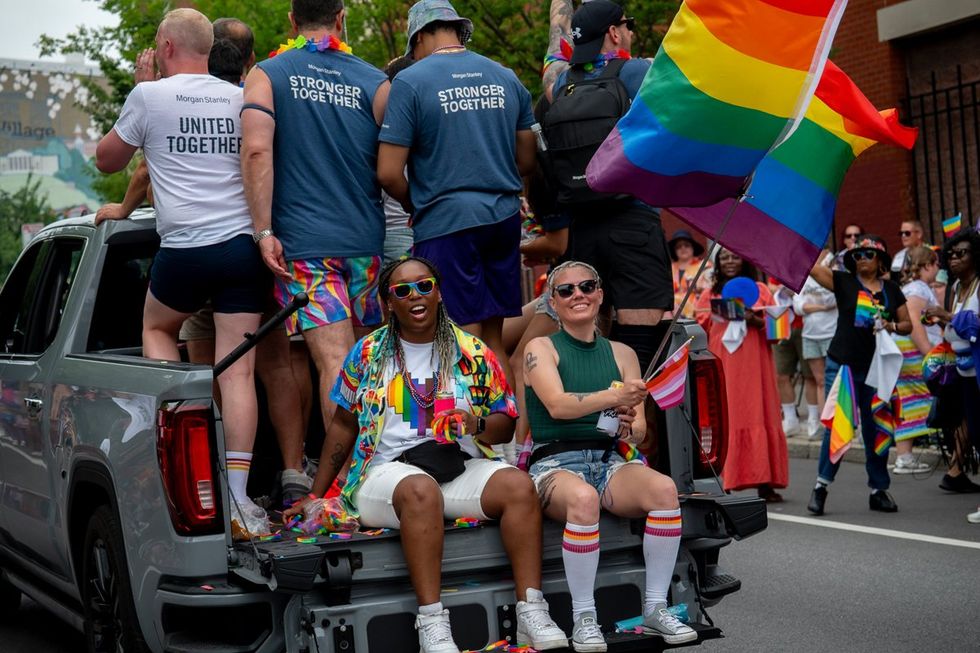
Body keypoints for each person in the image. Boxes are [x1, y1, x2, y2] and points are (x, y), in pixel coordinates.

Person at [284, 257, 567, 653]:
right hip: (385, 475)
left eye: (424, 286)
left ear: (438, 291)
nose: (414, 296)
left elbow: (504, 420)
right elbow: (344, 427)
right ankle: (432, 622)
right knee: (420, 490)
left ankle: (531, 612)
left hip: (455, 466)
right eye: (401, 290)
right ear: (388, 303)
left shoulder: (472, 352)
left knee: (518, 486)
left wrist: (474, 424)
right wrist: (316, 494)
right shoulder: (368, 354)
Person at [94, 8, 271, 534]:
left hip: (185, 253)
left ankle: (183, 462)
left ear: (166, 47)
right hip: (242, 249)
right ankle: (240, 500)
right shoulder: (241, 96)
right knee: (239, 372)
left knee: (156, 327)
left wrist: (145, 89)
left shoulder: (150, 96)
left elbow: (107, 160)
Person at [242, 0, 391, 456]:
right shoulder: (375, 81)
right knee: (370, 368)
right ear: (341, 17)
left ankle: (353, 483)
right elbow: (398, 160)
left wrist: (264, 231)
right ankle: (383, 473)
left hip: (307, 248)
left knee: (335, 365)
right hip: (366, 244)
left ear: (292, 21)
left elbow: (256, 151)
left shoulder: (267, 74)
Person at [523, 260, 696, 651]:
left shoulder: (622, 353)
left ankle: (655, 608)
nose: (578, 294)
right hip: (554, 463)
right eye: (566, 290)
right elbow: (558, 406)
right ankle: (585, 618)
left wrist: (628, 422)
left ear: (600, 294)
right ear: (553, 301)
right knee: (583, 500)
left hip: (609, 461)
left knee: (665, 490)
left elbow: (639, 431)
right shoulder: (541, 348)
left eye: (587, 286)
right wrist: (615, 397)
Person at [377, 0, 536, 390]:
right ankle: (505, 436)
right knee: (494, 335)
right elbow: (528, 156)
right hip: (502, 216)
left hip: (446, 220)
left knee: (457, 335)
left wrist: (417, 203)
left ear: (419, 37)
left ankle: (469, 440)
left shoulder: (411, 81)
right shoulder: (505, 75)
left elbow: (387, 172)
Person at [548, 0, 673, 372]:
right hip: (633, 223)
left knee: (590, 345)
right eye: (627, 25)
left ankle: (598, 423)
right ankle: (635, 428)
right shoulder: (639, 72)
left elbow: (554, 53)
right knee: (642, 356)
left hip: (581, 231)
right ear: (615, 33)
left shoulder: (559, 85)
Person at [806, 235, 912, 515]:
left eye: (868, 253)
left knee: (877, 427)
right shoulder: (844, 282)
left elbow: (907, 324)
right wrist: (821, 246)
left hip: (877, 369)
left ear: (881, 260)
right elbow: (813, 269)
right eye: (856, 255)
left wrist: (889, 325)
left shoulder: (891, 290)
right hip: (843, 366)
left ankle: (879, 490)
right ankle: (821, 487)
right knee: (838, 425)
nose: (861, 258)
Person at [695, 250, 788, 502]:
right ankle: (725, 479)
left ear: (745, 260)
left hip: (756, 365)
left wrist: (753, 318)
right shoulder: (710, 293)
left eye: (734, 257)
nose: (729, 261)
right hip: (723, 364)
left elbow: (779, 329)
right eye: (724, 258)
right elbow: (699, 326)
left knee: (760, 411)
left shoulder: (761, 290)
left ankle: (765, 482)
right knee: (726, 416)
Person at [924, 230, 980, 495]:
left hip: (978, 367)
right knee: (973, 427)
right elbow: (954, 327)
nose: (955, 259)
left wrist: (946, 316)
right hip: (963, 369)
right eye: (951, 254)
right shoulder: (957, 288)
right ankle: (956, 471)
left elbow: (975, 325)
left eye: (962, 253)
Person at [890, 246, 941, 474]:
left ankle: (904, 456)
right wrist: (928, 350)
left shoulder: (911, 287)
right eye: (937, 264)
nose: (939, 269)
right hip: (912, 350)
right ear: (927, 265)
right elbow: (913, 320)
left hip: (903, 349)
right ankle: (905, 457)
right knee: (918, 397)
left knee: (908, 400)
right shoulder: (918, 289)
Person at [770, 281, 820, 438]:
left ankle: (814, 418)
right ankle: (790, 419)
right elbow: (771, 286)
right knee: (780, 374)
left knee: (810, 375)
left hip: (805, 322)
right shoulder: (774, 263)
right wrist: (778, 289)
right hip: (777, 318)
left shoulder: (807, 263)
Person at [380, 55, 416, 267]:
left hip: (387, 230)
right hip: (408, 228)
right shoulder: (414, 123)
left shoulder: (383, 125)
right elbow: (389, 176)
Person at [792, 274, 838, 433]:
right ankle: (826, 423)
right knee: (820, 381)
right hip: (809, 336)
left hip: (831, 333)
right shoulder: (802, 277)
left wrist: (812, 304)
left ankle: (843, 421)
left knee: (838, 380)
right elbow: (798, 307)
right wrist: (822, 307)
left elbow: (833, 300)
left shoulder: (830, 273)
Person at [667, 229, 711, 320]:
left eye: (686, 245)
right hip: (671, 317)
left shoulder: (705, 265)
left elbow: (710, 290)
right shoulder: (667, 269)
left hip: (699, 314)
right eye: (678, 247)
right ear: (674, 250)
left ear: (693, 248)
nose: (683, 248)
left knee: (694, 335)